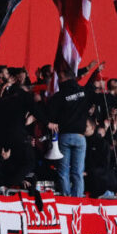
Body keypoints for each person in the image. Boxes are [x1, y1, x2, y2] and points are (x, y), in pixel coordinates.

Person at [46, 65, 97, 197]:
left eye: (59, 78)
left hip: (65, 136)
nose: (57, 81)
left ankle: (66, 199)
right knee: (78, 172)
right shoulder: (83, 92)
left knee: (63, 171)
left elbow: (49, 115)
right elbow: (91, 88)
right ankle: (77, 199)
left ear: (63, 78)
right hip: (80, 137)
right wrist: (96, 72)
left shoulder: (58, 96)